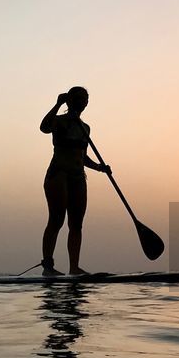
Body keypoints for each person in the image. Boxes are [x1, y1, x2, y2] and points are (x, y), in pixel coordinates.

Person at [39, 87, 111, 276]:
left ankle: (74, 267)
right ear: (70, 101)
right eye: (79, 98)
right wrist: (58, 104)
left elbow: (83, 157)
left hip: (78, 177)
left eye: (86, 99)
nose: (83, 102)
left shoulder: (85, 128)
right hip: (58, 175)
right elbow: (44, 128)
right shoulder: (59, 122)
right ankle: (48, 267)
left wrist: (100, 168)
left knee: (76, 224)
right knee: (56, 220)